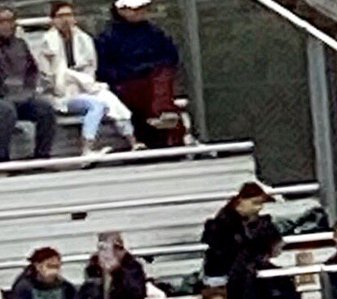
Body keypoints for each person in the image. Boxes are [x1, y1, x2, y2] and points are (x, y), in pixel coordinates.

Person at [37, 1, 138, 154]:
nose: (65, 20)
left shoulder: (84, 39)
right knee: (95, 104)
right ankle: (87, 148)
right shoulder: (45, 43)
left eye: (69, 15)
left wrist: (80, 79)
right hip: (61, 94)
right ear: (53, 20)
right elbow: (46, 75)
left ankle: (133, 141)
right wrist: (71, 77)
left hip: (85, 86)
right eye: (60, 16)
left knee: (110, 98)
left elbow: (91, 68)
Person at [96, 0, 181, 148]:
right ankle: (163, 112)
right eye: (135, 9)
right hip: (126, 83)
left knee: (161, 77)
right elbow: (104, 69)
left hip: (154, 80)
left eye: (142, 8)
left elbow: (171, 57)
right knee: (153, 85)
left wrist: (153, 68)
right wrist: (133, 72)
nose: (140, 12)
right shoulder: (108, 37)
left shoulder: (155, 33)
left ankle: (162, 113)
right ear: (121, 11)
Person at [0, 6, 56, 162]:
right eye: (1, 21)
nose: (6, 25)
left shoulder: (20, 44)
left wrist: (29, 90)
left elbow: (32, 71)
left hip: (21, 96)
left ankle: (42, 157)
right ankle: (3, 160)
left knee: (45, 109)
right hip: (3, 98)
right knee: (6, 111)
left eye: (9, 21)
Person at [74, 231, 147, 299]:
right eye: (102, 248)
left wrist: (117, 272)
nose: (106, 253)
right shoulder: (93, 269)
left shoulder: (133, 268)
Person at [201, 181, 276, 284]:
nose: (259, 208)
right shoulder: (224, 224)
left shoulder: (254, 222)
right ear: (240, 202)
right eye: (255, 203)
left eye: (261, 204)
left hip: (232, 274)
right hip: (226, 274)